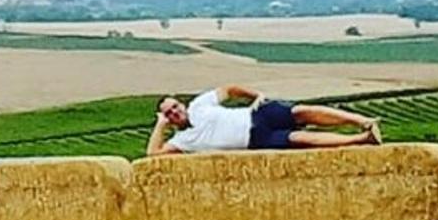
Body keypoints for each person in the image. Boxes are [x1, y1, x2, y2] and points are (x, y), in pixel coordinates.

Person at [147, 84, 381, 156]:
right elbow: (153, 154)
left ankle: (363, 120)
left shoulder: (199, 104)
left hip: (256, 114)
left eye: (175, 106)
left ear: (182, 104)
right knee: (301, 139)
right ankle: (363, 139)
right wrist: (160, 125)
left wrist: (256, 96)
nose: (174, 112)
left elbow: (229, 89)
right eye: (168, 113)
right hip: (255, 138)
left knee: (302, 111)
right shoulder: (182, 141)